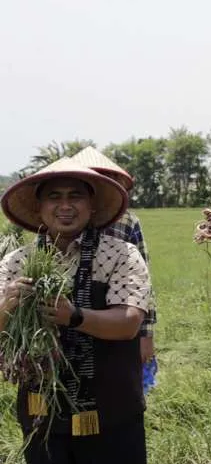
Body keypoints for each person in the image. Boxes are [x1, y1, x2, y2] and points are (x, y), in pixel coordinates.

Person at [0, 159, 152, 464]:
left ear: (92, 205)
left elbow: (129, 323)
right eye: (55, 197)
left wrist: (74, 316)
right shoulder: (16, 262)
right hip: (43, 414)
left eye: (76, 196)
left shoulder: (120, 255)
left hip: (112, 413)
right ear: (40, 208)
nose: (65, 207)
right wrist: (5, 308)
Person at [67, 147, 158, 368]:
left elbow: (143, 283)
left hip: (117, 307)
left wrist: (146, 335)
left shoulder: (126, 221)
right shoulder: (61, 218)